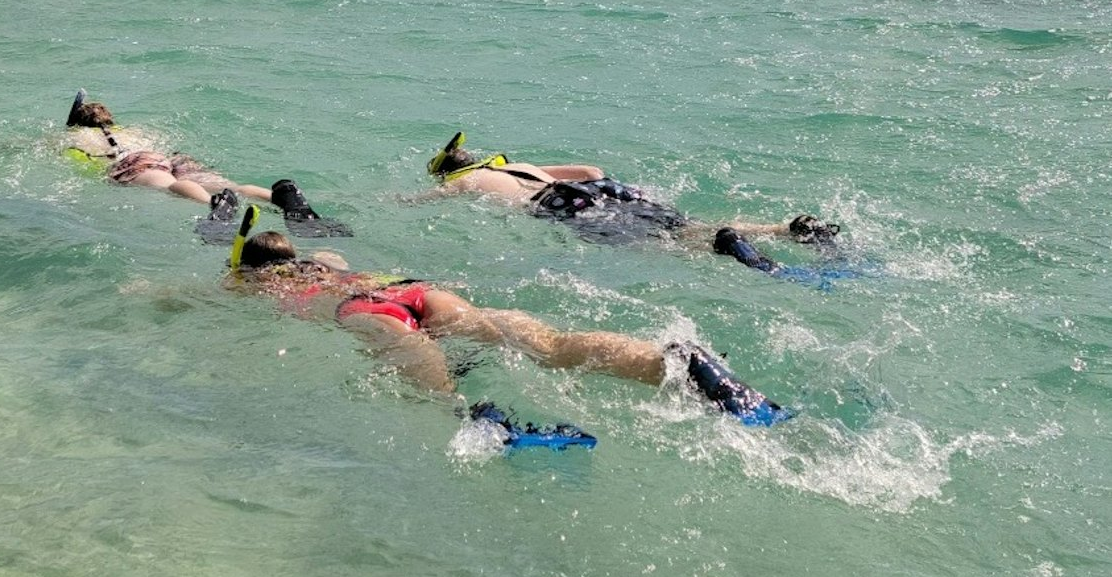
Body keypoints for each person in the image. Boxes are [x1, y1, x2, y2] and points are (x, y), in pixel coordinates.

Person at [225, 217, 788, 427]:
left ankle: (481, 419)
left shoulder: (266, 285)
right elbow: (330, 257)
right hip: (416, 291)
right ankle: (676, 362)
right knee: (550, 344)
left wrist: (235, 271)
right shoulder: (332, 264)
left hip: (368, 312)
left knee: (427, 381)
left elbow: (204, 290)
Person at [426, 131, 840, 259]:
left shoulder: (465, 183)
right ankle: (786, 229)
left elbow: (423, 203)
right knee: (683, 226)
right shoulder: (515, 167)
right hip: (599, 190)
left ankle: (727, 246)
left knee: (663, 246)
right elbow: (592, 171)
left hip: (560, 204)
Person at [64, 90, 325, 217]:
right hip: (165, 154)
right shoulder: (133, 130)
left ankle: (213, 205)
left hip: (134, 163)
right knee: (226, 185)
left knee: (171, 185)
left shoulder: (80, 136)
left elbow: (78, 157)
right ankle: (280, 198)